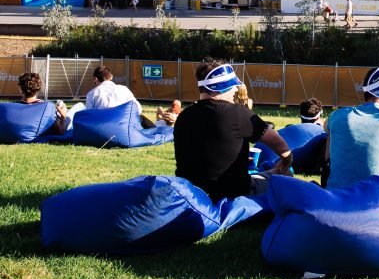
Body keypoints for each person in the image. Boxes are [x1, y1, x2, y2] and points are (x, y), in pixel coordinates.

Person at [174, 61, 293, 200]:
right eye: (233, 86)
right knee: (285, 175)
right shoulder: (238, 114)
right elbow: (279, 144)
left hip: (190, 194)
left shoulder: (183, 117)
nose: (235, 90)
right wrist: (286, 163)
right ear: (223, 87)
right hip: (233, 194)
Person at [85, 66, 154, 128]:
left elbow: (89, 116)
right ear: (111, 77)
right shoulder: (124, 89)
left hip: (101, 129)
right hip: (123, 127)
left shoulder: (92, 93)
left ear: (95, 79)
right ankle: (157, 132)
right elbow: (138, 109)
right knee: (141, 118)